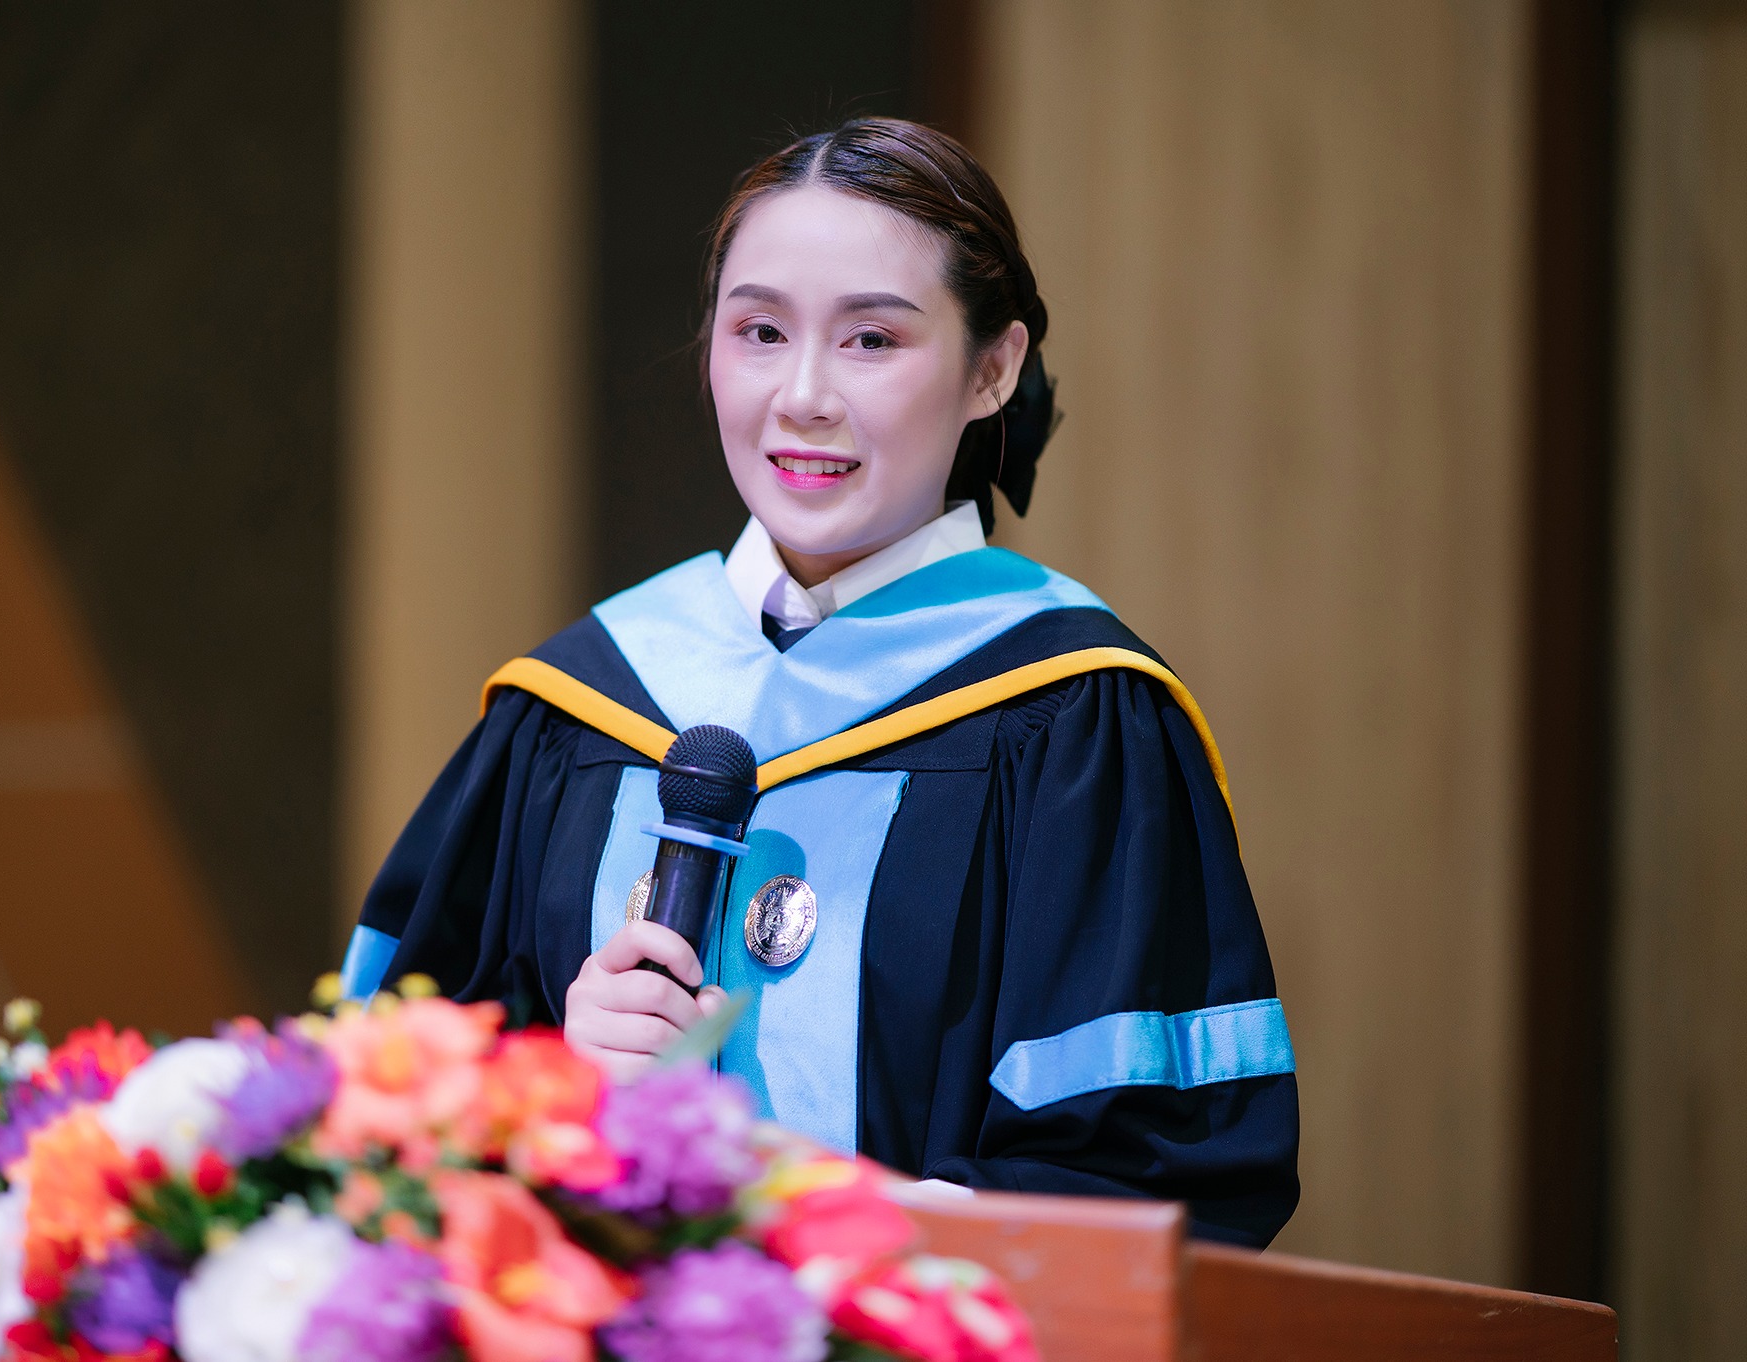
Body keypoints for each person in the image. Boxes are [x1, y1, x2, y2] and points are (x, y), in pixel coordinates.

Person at [341, 118, 1298, 1246]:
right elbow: (382, 1124)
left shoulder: (1073, 719)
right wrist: (558, 1087)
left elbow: (1152, 1185)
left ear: (992, 369)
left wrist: (820, 1215)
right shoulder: (575, 707)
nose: (802, 396)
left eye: (870, 341)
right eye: (759, 331)